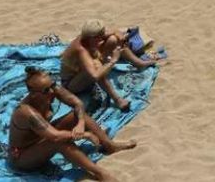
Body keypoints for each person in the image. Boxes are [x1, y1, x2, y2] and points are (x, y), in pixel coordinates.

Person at [8, 67, 136, 182]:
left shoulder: (51, 90)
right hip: (22, 157)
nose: (52, 91)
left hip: (43, 137)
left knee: (78, 115)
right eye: (47, 90)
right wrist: (86, 135)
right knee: (59, 141)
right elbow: (55, 137)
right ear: (34, 95)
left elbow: (77, 104)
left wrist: (80, 122)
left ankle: (109, 145)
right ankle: (100, 173)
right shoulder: (26, 112)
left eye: (53, 85)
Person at [60, 20, 134, 110]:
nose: (101, 39)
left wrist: (120, 37)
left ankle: (138, 63)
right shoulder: (81, 50)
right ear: (92, 37)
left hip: (88, 63)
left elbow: (115, 32)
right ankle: (117, 99)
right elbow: (95, 76)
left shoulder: (89, 37)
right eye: (98, 38)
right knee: (96, 68)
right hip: (71, 83)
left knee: (113, 39)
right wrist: (113, 60)